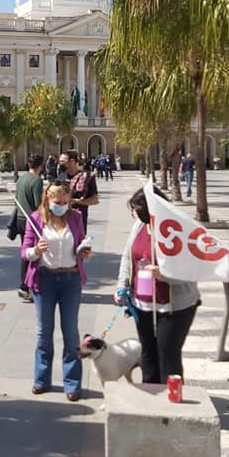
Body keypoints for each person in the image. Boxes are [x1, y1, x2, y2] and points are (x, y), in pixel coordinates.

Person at [115, 186, 200, 383]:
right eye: (134, 210)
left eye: (139, 209)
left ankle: (171, 395)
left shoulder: (177, 228)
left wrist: (166, 275)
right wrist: (122, 286)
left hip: (174, 305)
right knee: (147, 351)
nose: (136, 214)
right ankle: (150, 392)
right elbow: (128, 257)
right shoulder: (139, 226)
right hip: (142, 302)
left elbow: (192, 268)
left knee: (167, 351)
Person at [21, 180, 92, 401]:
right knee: (44, 332)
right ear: (48, 198)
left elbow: (80, 244)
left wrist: (84, 252)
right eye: (56, 201)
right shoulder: (36, 219)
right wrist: (36, 250)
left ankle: (72, 384)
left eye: (64, 202)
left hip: (71, 279)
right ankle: (41, 380)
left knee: (71, 332)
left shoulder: (76, 217)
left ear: (69, 201)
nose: (60, 205)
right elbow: (25, 252)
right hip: (44, 280)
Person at [14, 155, 45, 299]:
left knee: (25, 251)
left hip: (20, 218)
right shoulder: (37, 180)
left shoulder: (21, 179)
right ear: (41, 166)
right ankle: (25, 286)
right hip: (32, 221)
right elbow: (38, 204)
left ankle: (25, 285)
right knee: (32, 253)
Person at [57, 150, 99, 233]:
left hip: (78, 220)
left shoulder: (86, 177)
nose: (60, 164)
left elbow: (95, 199)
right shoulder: (60, 177)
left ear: (72, 161)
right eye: (59, 161)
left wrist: (76, 201)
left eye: (63, 162)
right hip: (61, 220)